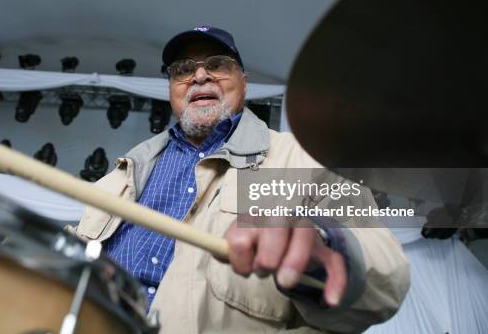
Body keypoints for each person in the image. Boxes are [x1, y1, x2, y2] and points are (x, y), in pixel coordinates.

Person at [69, 26, 410, 333]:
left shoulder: (302, 160)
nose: (199, 76)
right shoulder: (123, 173)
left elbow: (388, 275)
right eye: (183, 70)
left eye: (217, 65)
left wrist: (324, 248)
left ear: (244, 81)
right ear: (172, 88)